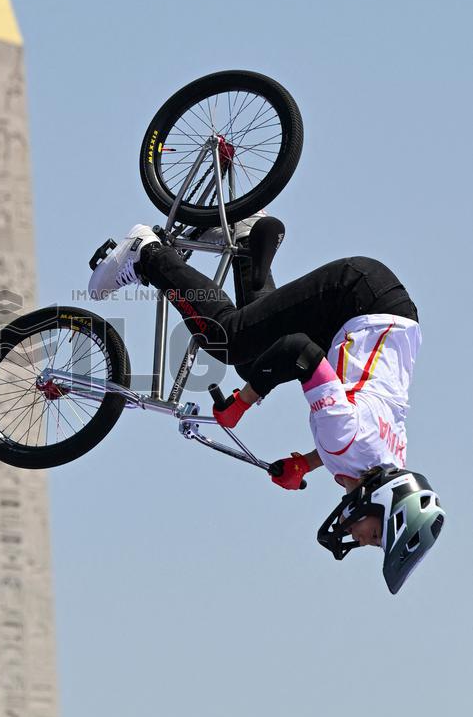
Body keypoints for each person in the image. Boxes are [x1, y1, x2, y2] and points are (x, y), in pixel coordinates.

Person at [87, 216, 445, 593]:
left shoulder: (389, 460)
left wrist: (303, 463)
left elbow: (351, 436)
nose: (358, 539)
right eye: (373, 536)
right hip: (354, 298)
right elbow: (298, 353)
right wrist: (242, 402)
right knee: (228, 337)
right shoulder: (346, 440)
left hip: (376, 311)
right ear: (381, 503)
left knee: (254, 361)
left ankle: (247, 245)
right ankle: (147, 254)